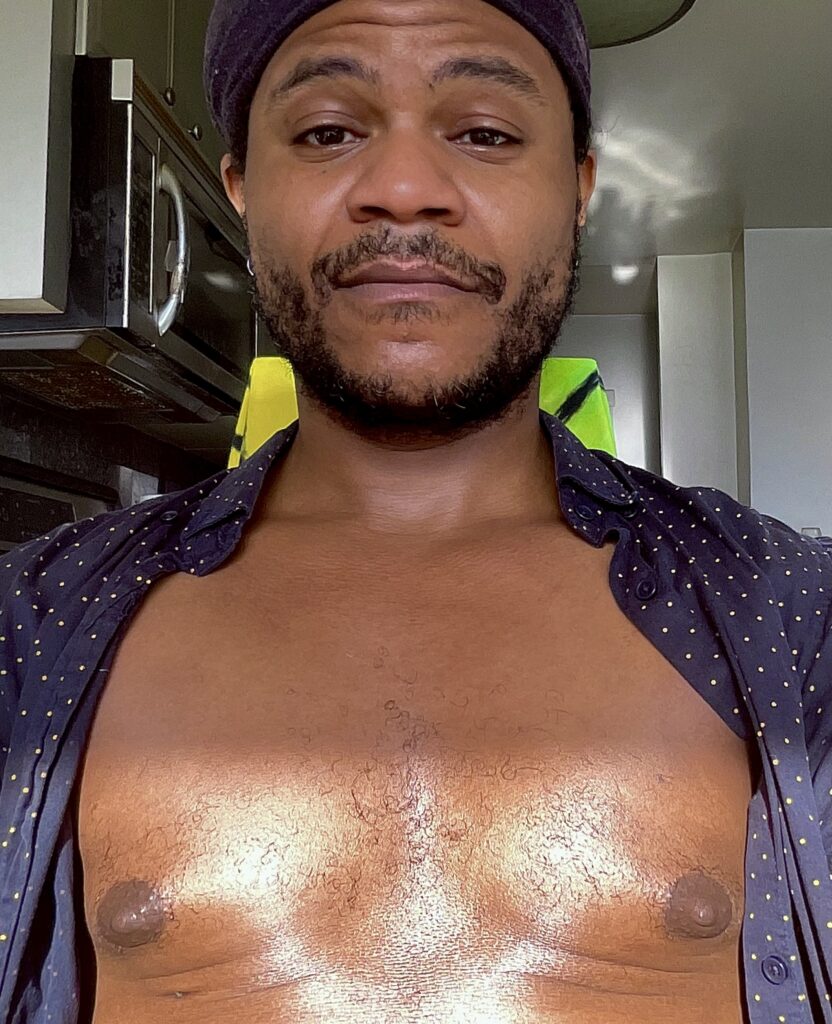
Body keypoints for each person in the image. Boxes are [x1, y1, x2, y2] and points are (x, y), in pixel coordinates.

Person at [1, 1, 831, 1021]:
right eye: (326, 132)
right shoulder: (31, 628)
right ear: (244, 190)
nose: (401, 189)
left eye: (483, 132)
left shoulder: (796, 618)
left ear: (577, 189)